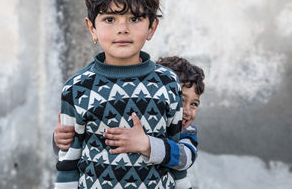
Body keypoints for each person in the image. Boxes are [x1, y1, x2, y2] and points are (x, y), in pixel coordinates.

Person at [54, 0, 183, 189]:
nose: (122, 28)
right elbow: (67, 161)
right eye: (110, 19)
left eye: (134, 19)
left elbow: (178, 158)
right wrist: (59, 141)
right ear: (92, 28)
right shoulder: (77, 88)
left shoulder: (168, 83)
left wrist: (148, 145)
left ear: (152, 28)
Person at [54, 56, 205, 189]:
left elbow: (185, 158)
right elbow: (82, 146)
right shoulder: (134, 117)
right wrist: (60, 140)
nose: (186, 110)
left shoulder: (188, 132)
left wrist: (147, 145)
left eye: (194, 104)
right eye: (181, 101)